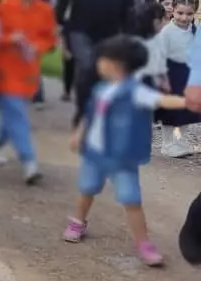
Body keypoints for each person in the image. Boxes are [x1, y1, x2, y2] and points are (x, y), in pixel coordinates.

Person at [63, 35, 186, 267]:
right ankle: (78, 221)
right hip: (95, 153)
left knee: (131, 200)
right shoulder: (101, 89)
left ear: (115, 64)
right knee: (87, 189)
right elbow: (90, 115)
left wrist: (185, 102)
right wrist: (79, 134)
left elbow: (161, 100)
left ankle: (144, 244)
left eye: (102, 59)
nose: (98, 64)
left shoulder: (136, 91)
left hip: (121, 157)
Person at [55, 0, 136, 126]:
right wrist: (58, 24)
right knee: (88, 68)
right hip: (81, 29)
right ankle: (83, 113)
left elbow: (128, 4)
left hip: (110, 33)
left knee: (106, 74)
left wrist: (128, 34)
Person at [0, 0, 56, 184]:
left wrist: (37, 46)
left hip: (29, 71)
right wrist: (10, 39)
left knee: (13, 113)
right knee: (18, 116)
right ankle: (29, 162)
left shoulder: (45, 10)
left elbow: (50, 39)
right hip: (5, 70)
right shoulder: (4, 8)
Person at [153, 0, 199, 158]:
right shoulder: (167, 32)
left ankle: (181, 142)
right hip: (171, 74)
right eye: (180, 13)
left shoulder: (195, 30)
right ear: (173, 10)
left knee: (185, 111)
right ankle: (167, 144)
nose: (184, 18)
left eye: (189, 14)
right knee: (170, 111)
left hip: (188, 75)